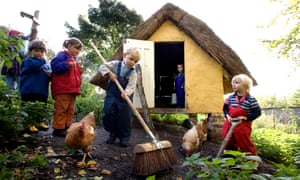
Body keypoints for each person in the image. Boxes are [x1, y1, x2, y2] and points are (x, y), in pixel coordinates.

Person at [99, 47, 141, 147]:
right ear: (124, 55)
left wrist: (126, 92)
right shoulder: (115, 64)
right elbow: (102, 67)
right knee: (109, 112)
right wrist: (110, 73)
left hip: (124, 97)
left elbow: (131, 85)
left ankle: (124, 137)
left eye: (135, 61)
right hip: (112, 94)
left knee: (124, 117)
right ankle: (113, 134)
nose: (132, 62)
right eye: (131, 59)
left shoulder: (133, 73)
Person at [50, 37, 83, 137]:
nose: (78, 51)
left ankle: (67, 126)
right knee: (62, 108)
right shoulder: (62, 56)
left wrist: (79, 71)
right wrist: (67, 64)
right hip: (63, 89)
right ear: (69, 46)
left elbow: (74, 76)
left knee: (70, 109)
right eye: (76, 48)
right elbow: (55, 67)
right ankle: (58, 128)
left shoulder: (74, 60)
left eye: (80, 50)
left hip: (72, 89)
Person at [222, 74, 261, 156]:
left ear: (245, 85)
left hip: (242, 125)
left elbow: (257, 112)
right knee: (228, 141)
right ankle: (229, 160)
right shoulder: (230, 98)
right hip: (229, 123)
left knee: (244, 143)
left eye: (236, 83)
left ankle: (251, 163)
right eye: (233, 83)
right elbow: (225, 108)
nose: (233, 84)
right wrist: (227, 115)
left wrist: (246, 117)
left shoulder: (250, 99)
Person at [19, 40, 51, 133]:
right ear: (31, 51)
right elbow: (34, 67)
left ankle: (39, 122)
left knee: (41, 107)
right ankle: (29, 124)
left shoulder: (44, 64)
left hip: (42, 90)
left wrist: (50, 74)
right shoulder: (28, 61)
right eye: (37, 51)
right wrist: (43, 61)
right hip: (29, 90)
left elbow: (47, 74)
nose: (39, 53)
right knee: (29, 107)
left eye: (42, 51)